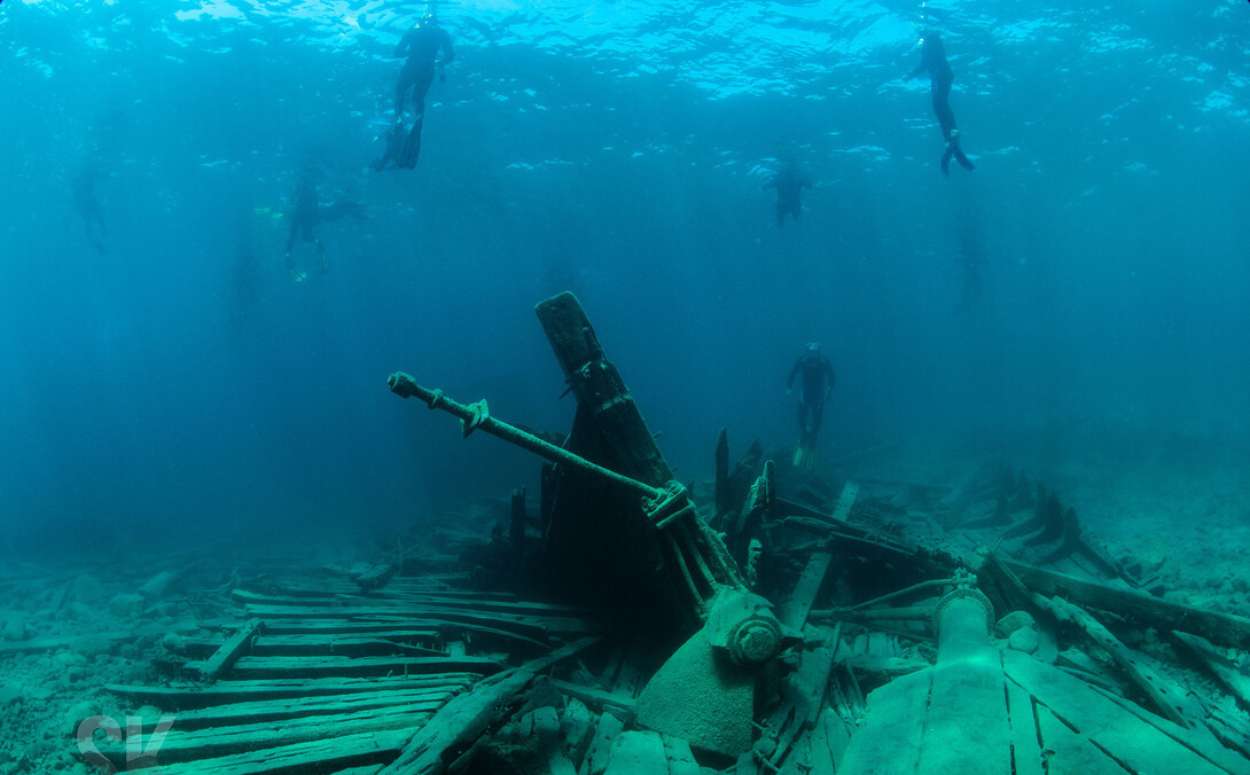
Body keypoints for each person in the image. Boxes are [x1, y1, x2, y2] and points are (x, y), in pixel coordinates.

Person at [376, 12, 455, 171]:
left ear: (421, 21)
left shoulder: (413, 31)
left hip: (411, 66)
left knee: (399, 94)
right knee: (418, 101)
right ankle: (415, 136)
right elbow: (450, 56)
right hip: (428, 69)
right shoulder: (441, 33)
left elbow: (397, 52)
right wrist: (437, 61)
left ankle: (398, 122)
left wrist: (412, 53)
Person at [909, 31, 974, 175]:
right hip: (941, 76)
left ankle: (951, 134)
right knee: (940, 106)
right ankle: (950, 137)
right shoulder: (933, 45)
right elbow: (927, 63)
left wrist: (910, 75)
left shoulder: (930, 43)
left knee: (940, 104)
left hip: (940, 75)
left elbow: (924, 63)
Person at [284, 165, 365, 280]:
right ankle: (356, 207)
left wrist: (288, 254)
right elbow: (298, 235)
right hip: (315, 214)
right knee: (334, 212)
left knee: (334, 211)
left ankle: (356, 207)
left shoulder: (300, 212)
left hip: (314, 214)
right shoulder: (302, 210)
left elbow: (293, 236)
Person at [787, 343, 836, 453]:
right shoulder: (803, 360)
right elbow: (793, 373)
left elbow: (832, 377)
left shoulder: (823, 361)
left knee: (817, 419)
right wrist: (789, 386)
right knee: (801, 417)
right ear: (807, 352)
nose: (812, 356)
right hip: (805, 394)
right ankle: (804, 433)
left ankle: (813, 437)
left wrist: (829, 390)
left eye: (815, 353)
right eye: (811, 353)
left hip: (818, 395)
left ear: (818, 353)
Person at [72, 164, 107, 254]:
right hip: (87, 204)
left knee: (93, 221)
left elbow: (76, 196)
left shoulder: (81, 180)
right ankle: (98, 241)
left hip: (87, 204)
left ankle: (98, 241)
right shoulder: (82, 180)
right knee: (94, 221)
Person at [765, 160, 812, 227]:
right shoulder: (798, 178)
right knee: (797, 222)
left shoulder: (779, 178)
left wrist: (765, 185)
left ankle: (782, 229)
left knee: (781, 224)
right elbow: (809, 186)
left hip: (783, 205)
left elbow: (765, 186)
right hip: (794, 204)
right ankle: (796, 228)